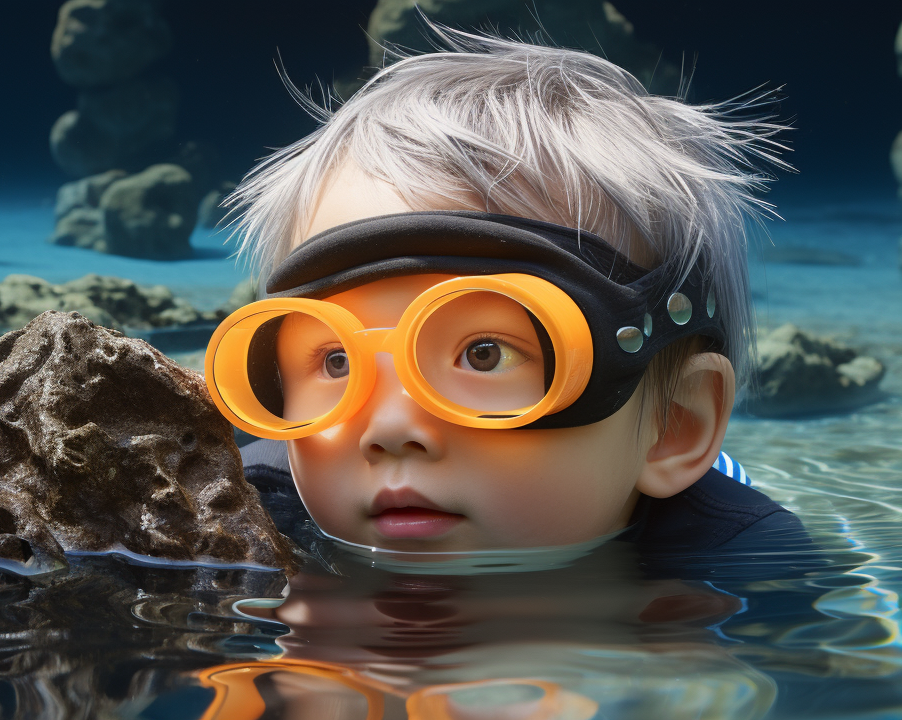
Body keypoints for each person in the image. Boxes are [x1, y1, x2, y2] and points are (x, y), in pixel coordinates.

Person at [204, 26, 812, 561]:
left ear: (674, 424)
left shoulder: (740, 560)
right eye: (334, 359)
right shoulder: (234, 515)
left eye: (484, 353)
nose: (388, 429)